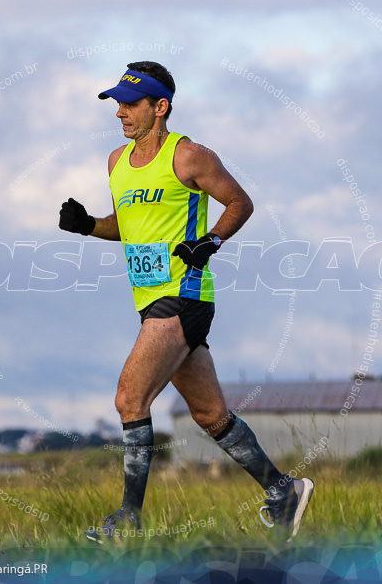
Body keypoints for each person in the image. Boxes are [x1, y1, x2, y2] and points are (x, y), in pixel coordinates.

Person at [58, 61, 313, 542]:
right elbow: (128, 226)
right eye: (116, 103)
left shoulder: (190, 156)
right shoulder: (116, 162)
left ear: (161, 107)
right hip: (150, 300)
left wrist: (211, 242)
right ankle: (283, 490)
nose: (120, 112)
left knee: (130, 398)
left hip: (184, 297)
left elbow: (240, 203)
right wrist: (89, 225)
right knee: (210, 415)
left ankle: (127, 524)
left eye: (130, 104)